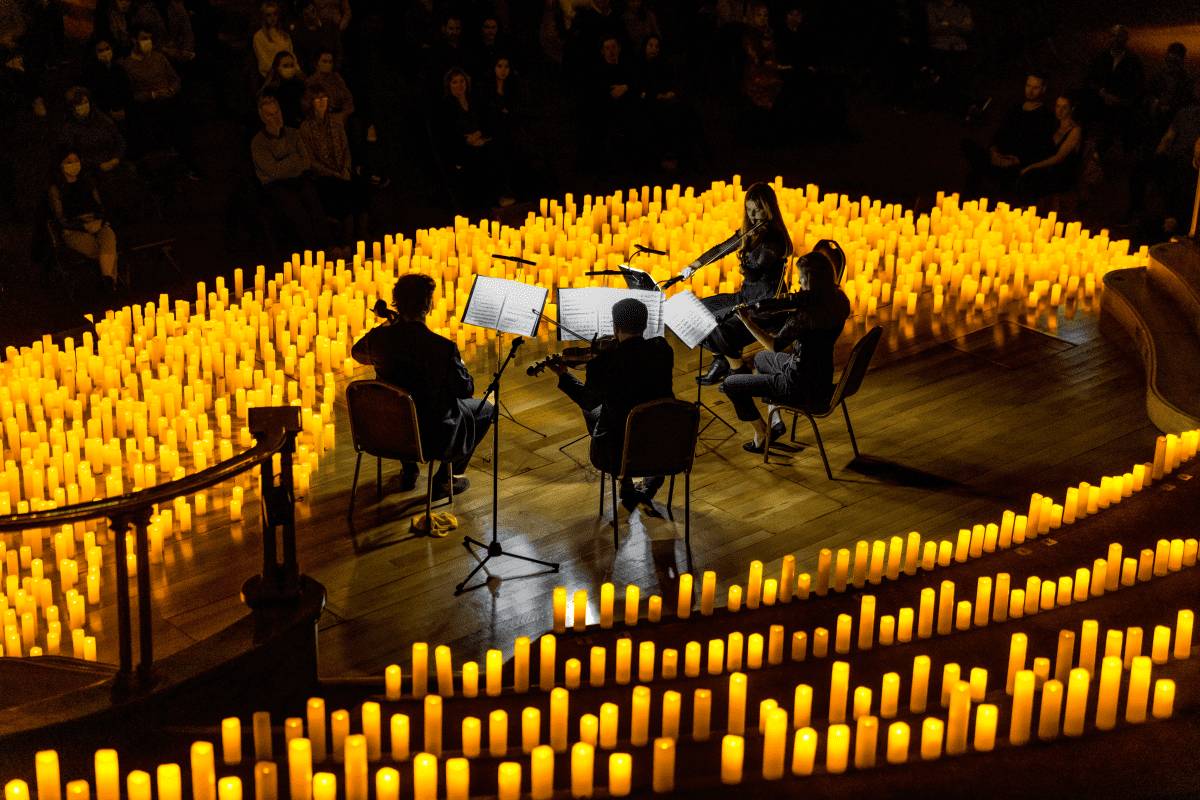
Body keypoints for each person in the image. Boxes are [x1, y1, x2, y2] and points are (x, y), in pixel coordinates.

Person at [351, 273, 492, 502]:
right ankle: (445, 478)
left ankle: (409, 471)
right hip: (432, 437)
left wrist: (389, 323)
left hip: (386, 431)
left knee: (401, 402)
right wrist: (459, 365)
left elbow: (357, 352)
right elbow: (465, 390)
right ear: (427, 305)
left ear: (397, 303)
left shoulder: (379, 339)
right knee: (486, 410)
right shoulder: (442, 348)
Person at [549, 297, 675, 511]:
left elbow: (589, 400)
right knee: (639, 414)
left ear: (615, 327)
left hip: (617, 452)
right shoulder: (662, 349)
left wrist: (564, 375)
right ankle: (653, 478)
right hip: (662, 443)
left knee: (594, 412)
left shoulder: (603, 364)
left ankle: (624, 477)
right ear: (645, 325)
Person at [721, 248, 851, 453]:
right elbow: (808, 305)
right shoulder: (839, 300)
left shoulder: (805, 316)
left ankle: (761, 433)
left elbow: (774, 345)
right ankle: (775, 420)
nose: (798, 283)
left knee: (730, 384)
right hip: (822, 377)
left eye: (801, 279)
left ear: (812, 281)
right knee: (761, 359)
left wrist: (746, 321)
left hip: (797, 384)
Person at [683, 182, 792, 385]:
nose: (752, 216)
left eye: (757, 210)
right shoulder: (751, 231)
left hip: (765, 305)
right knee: (697, 310)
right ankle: (722, 358)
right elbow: (721, 249)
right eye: (749, 210)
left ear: (768, 209)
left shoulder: (774, 240)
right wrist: (694, 265)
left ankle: (737, 367)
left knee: (716, 325)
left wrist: (744, 265)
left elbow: (754, 275)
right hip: (745, 296)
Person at [250, 94, 327, 251]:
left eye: (277, 112)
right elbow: (273, 171)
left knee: (314, 201)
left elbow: (306, 161)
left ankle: (327, 246)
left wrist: (285, 163)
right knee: (295, 208)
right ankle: (312, 250)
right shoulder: (258, 143)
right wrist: (293, 158)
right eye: (270, 115)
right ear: (263, 118)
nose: (276, 117)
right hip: (274, 185)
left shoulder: (293, 133)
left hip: (297, 179)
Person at [964, 72, 1056, 199]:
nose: (1030, 91)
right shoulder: (1015, 108)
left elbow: (1040, 147)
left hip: (1015, 163)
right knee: (967, 145)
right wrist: (994, 150)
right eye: (1028, 86)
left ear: (1043, 89)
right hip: (998, 155)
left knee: (981, 171)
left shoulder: (1046, 116)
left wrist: (1017, 160)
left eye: (1035, 88)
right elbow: (1000, 133)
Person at [47, 149, 120, 289]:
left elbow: (100, 207)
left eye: (76, 160)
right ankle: (110, 282)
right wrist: (82, 226)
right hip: (74, 229)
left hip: (96, 223)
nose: (74, 164)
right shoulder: (56, 189)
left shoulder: (88, 183)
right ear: (60, 165)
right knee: (106, 251)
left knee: (108, 236)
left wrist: (99, 221)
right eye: (69, 162)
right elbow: (61, 218)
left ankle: (107, 281)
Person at [299, 85, 362, 245]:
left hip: (342, 170)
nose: (322, 101)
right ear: (310, 102)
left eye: (324, 97)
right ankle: (341, 242)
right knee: (338, 192)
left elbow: (345, 147)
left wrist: (345, 168)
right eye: (317, 98)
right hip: (322, 175)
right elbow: (310, 159)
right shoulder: (305, 128)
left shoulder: (336, 122)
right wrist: (333, 173)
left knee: (355, 188)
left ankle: (352, 239)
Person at [1017, 93, 1083, 202]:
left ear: (1072, 109)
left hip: (1061, 173)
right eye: (1057, 106)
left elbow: (1059, 157)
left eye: (1064, 107)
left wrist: (1031, 167)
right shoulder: (1054, 125)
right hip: (1047, 168)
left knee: (1030, 177)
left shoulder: (1075, 130)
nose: (1059, 111)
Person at [260, 50, 306, 127]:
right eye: (285, 66)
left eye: (292, 65)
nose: (289, 69)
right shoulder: (271, 90)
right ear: (277, 68)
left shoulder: (300, 85)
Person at [252, 1, 292, 78]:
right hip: (272, 76)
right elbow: (264, 62)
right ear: (264, 17)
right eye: (268, 15)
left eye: (275, 14)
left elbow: (292, 56)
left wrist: (298, 71)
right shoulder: (259, 37)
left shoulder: (285, 35)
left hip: (289, 73)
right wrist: (280, 71)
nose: (272, 18)